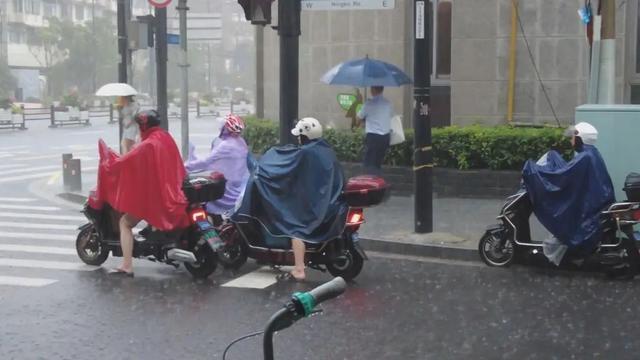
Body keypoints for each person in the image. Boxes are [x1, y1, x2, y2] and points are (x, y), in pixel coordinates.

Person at [233, 117, 348, 281]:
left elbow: (285, 167)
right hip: (329, 200)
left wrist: (265, 172)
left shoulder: (305, 153)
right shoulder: (325, 150)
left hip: (316, 205)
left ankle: (299, 269)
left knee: (296, 226)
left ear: (304, 136)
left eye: (299, 136)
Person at [95, 109, 189, 276]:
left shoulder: (147, 145)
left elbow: (123, 162)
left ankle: (126, 265)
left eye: (139, 126)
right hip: (173, 192)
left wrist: (110, 157)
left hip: (157, 197)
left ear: (143, 126)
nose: (138, 129)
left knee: (124, 222)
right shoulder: (165, 137)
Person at [522, 122, 616, 264]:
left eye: (572, 137)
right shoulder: (591, 153)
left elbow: (562, 176)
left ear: (579, 138)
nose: (571, 140)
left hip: (590, 209)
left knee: (560, 214)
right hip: (596, 203)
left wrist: (533, 170)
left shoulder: (585, 157)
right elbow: (570, 174)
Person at [184, 114, 249, 218]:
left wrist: (185, 167)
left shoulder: (226, 145)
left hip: (226, 190)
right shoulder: (241, 142)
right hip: (237, 187)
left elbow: (206, 162)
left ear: (225, 129)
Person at [357, 86, 394, 175]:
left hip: (373, 137)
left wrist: (365, 120)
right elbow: (391, 117)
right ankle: (378, 182)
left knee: (369, 163)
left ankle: (371, 184)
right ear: (382, 89)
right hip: (385, 137)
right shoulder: (388, 103)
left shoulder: (369, 103)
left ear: (373, 90)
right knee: (378, 162)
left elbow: (358, 118)